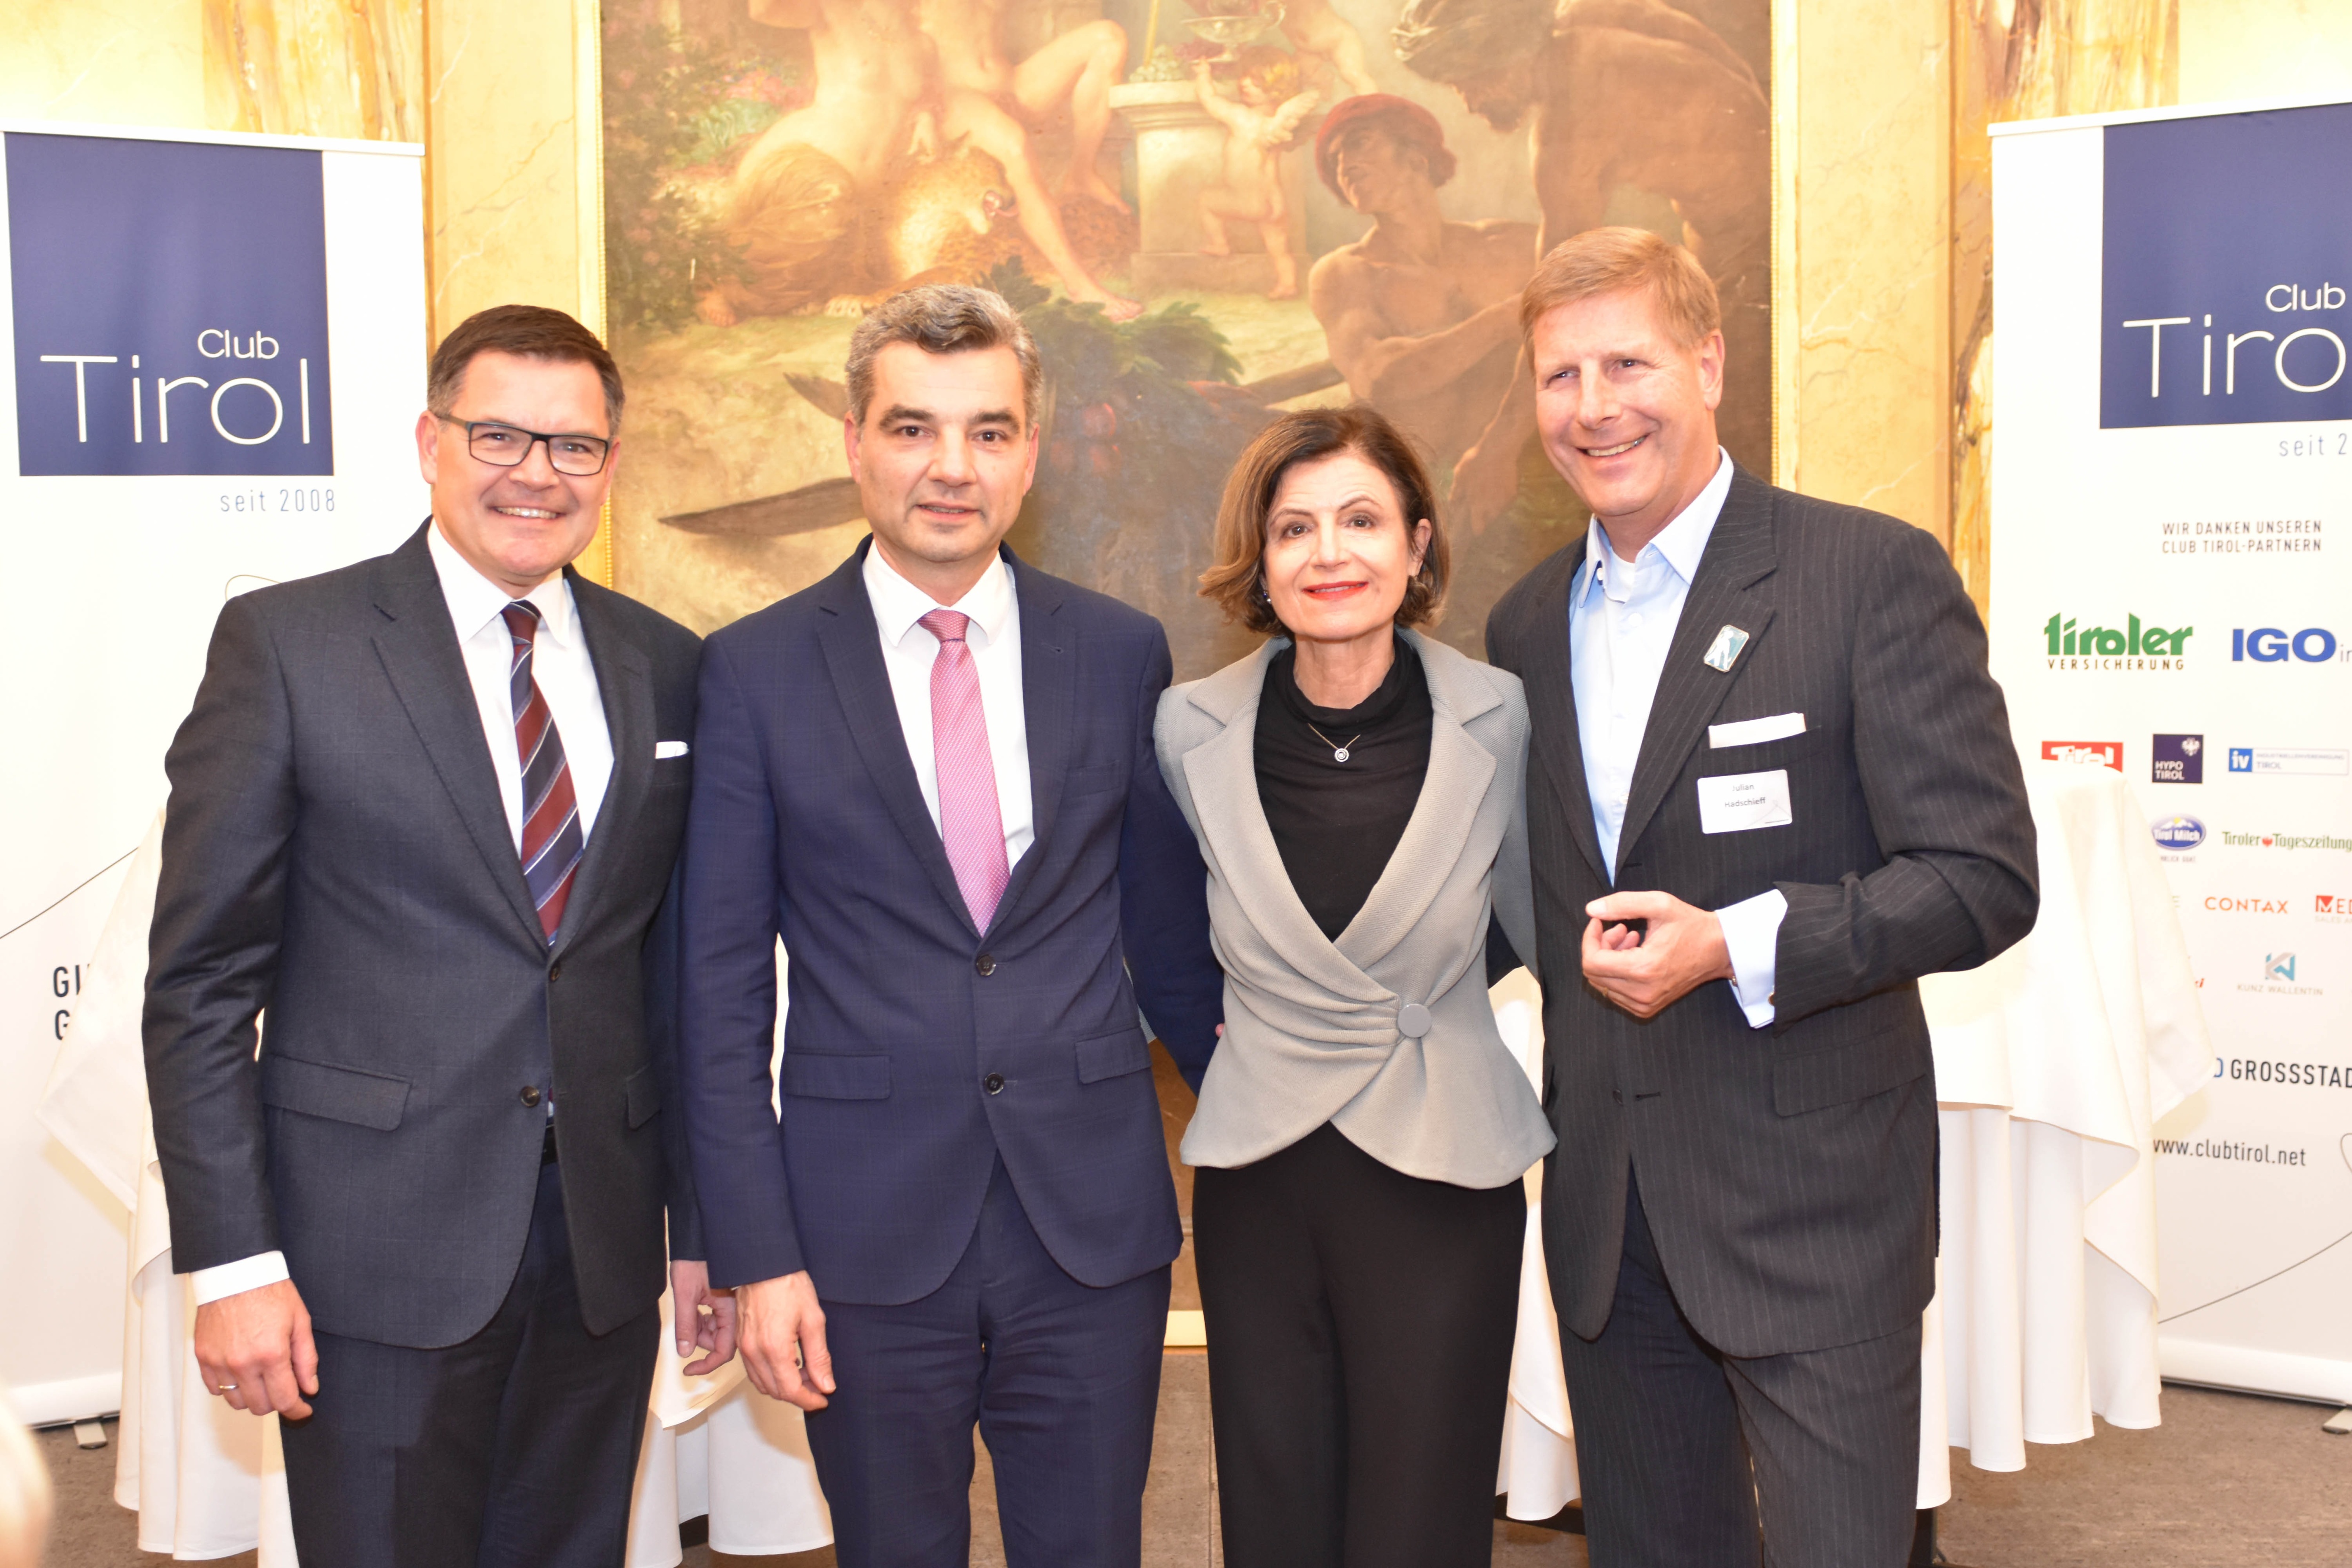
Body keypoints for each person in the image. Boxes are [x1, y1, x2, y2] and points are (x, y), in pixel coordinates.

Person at [1482, 228, 2038, 1567]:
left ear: (1709, 364)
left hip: (1813, 1204)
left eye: (1628, 363)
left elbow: (1982, 877)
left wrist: (1736, 943)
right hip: (1611, 1217)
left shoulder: (1864, 575)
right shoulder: (1523, 625)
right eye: (1561, 375)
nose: (1595, 407)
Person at [143, 304, 723, 1565]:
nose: (536, 473)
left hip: (600, 1248)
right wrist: (232, 1262)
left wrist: (701, 1228)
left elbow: (667, 973)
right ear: (429, 442)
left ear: (611, 464)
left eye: (573, 445)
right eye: (498, 435)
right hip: (370, 1249)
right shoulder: (289, 646)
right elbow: (200, 984)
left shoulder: (666, 662)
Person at [678, 283, 1224, 1567]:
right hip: (858, 1233)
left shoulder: (1119, 652)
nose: (951, 467)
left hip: (1088, 1228)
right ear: (854, 442)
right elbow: (716, 993)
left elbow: (1169, 941)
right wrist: (750, 1251)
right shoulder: (753, 669)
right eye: (912, 428)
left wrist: (1285, 1137)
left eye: (988, 431)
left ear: (1029, 453)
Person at [1154, 406, 1553, 1568]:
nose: (1329, 554)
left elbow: (1534, 918)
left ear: (1417, 543)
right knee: (1275, 1512)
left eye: (1362, 520)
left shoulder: (1501, 714)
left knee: (1420, 1522)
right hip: (1262, 1173)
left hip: (1443, 1166)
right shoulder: (1188, 727)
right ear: (1260, 559)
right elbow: (1169, 938)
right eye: (1295, 529)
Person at [1394, 0, 1770, 530]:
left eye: (1467, 81)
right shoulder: (1589, 15)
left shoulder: (1567, 132)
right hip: (1746, 241)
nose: (1469, 102)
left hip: (1758, 264)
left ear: (1505, 52)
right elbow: (1735, 77)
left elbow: (1557, 311)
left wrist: (1495, 449)